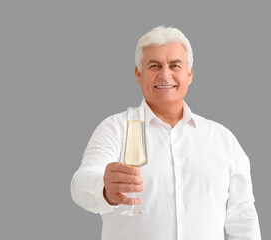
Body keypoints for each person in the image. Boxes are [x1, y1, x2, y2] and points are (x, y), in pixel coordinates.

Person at [71, 26, 261, 240]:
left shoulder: (222, 139)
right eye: (154, 66)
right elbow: (81, 184)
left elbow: (243, 220)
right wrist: (104, 189)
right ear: (138, 74)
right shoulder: (115, 128)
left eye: (175, 65)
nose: (165, 74)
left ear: (189, 74)